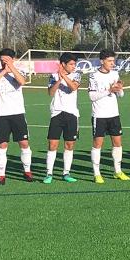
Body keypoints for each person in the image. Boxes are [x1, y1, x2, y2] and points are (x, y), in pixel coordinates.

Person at [0, 48, 32, 184]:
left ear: (13, 59)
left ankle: (27, 171)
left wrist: (11, 68)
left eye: (6, 60)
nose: (3, 62)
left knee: (24, 143)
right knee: (2, 145)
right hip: (1, 114)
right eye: (2, 60)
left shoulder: (19, 69)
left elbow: (22, 81)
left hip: (17, 113)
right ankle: (1, 175)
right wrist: (4, 71)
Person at [89, 49, 129, 183]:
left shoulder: (115, 74)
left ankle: (118, 171)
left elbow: (121, 95)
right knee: (97, 144)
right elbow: (92, 96)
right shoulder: (93, 76)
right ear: (102, 61)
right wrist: (109, 90)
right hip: (99, 115)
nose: (113, 63)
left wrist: (119, 88)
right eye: (110, 61)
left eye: (113, 61)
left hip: (114, 115)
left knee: (117, 143)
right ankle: (97, 173)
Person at [43, 53, 81, 184]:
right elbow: (50, 93)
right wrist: (59, 79)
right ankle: (49, 173)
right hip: (57, 114)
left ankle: (66, 172)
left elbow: (73, 87)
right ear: (63, 64)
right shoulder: (53, 76)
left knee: (69, 144)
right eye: (71, 64)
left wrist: (63, 76)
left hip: (72, 114)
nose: (73, 66)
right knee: (53, 144)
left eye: (74, 64)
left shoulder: (76, 75)